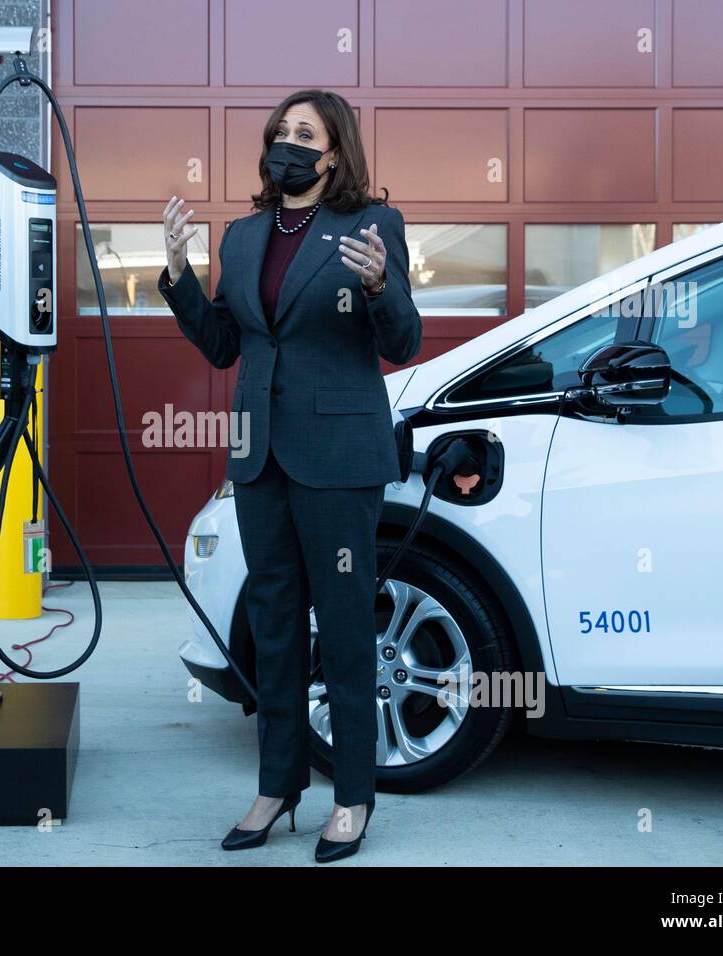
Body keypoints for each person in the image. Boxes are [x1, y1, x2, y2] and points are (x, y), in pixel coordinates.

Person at [158, 89, 421, 863]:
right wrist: (176, 274)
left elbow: (401, 343)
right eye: (280, 131)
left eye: (304, 133)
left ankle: (353, 797)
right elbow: (221, 346)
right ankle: (278, 787)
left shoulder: (372, 226)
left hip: (339, 460)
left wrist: (379, 288)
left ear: (334, 152)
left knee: (342, 628)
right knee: (273, 628)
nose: (288, 142)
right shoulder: (241, 239)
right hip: (261, 455)